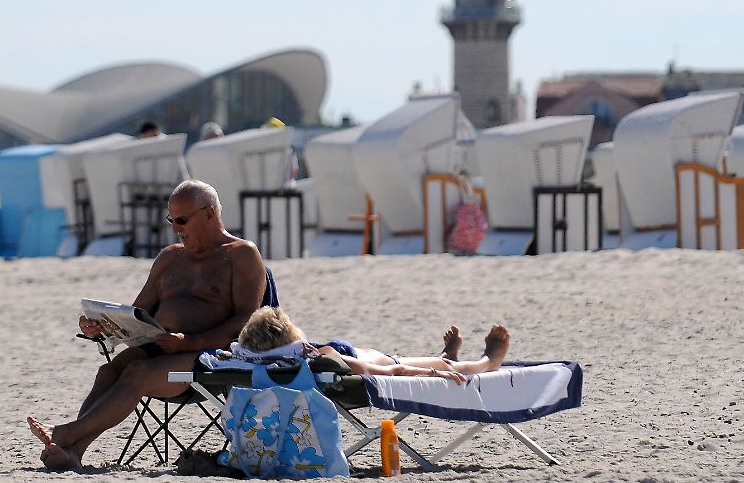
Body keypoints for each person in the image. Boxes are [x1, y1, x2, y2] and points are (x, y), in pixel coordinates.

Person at [26, 180, 267, 471]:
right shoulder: (169, 258)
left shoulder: (240, 254)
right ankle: (75, 450)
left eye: (182, 220)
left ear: (209, 214)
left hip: (208, 358)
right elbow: (137, 312)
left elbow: (245, 320)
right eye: (171, 220)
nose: (176, 228)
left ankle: (66, 434)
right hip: (160, 348)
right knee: (108, 371)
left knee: (138, 373)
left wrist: (187, 343)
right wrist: (102, 326)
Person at [237, 307, 510, 385]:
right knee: (446, 365)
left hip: (387, 358)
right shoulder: (323, 361)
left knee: (422, 359)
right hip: (387, 364)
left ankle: (443, 355)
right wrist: (435, 374)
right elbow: (394, 373)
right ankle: (488, 361)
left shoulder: (269, 361)